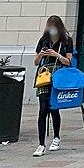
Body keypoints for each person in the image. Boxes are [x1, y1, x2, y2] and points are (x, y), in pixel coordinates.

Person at [33, 15, 73, 157]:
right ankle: (41, 143)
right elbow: (35, 61)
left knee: (54, 107)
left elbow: (68, 61)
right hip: (44, 74)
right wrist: (41, 55)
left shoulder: (66, 41)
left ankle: (56, 137)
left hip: (58, 74)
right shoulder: (44, 40)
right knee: (43, 108)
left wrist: (56, 54)